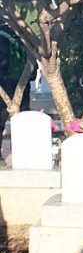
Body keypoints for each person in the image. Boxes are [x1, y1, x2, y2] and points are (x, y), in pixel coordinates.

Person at [0, 24, 33, 164]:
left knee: (0, 119)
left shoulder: (2, 35)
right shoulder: (20, 33)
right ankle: (25, 153)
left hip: (5, 81)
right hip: (22, 82)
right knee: (23, 116)